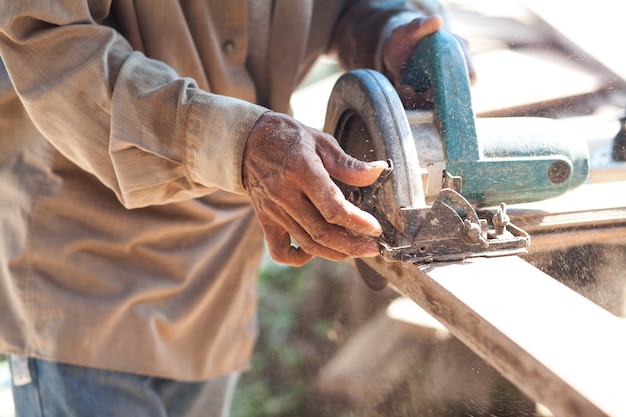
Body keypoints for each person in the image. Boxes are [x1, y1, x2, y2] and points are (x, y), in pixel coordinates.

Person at [0, 1, 474, 416]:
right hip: (82, 270)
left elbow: (351, 7)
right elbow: (51, 41)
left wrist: (388, 28)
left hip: (218, 273)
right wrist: (237, 144)